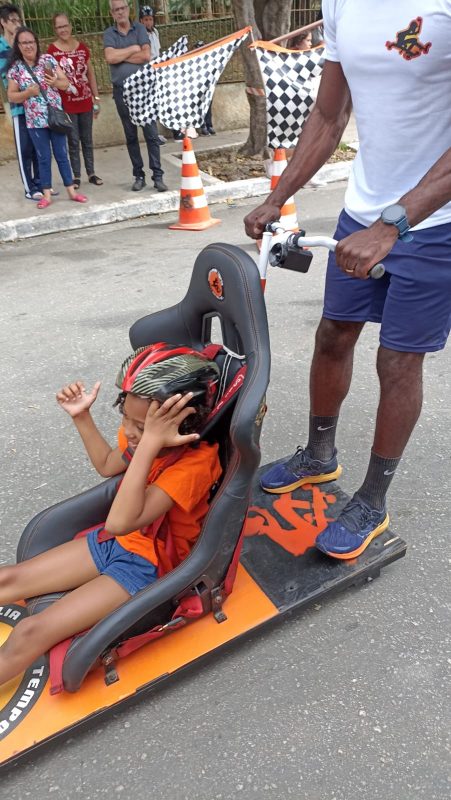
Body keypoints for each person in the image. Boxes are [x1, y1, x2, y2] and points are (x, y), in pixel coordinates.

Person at [244, 2, 451, 560]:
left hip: (435, 224)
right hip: (361, 212)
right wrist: (277, 196)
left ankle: (372, 499)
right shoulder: (341, 3)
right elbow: (328, 117)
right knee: (334, 333)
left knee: (399, 360)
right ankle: (319, 454)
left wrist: (397, 221)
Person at [0, 343, 222, 687]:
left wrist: (148, 443)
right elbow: (107, 464)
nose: (129, 432)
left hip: (146, 568)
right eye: (126, 418)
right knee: (7, 579)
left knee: (31, 632)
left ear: (181, 422)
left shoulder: (195, 466)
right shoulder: (142, 439)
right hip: (117, 542)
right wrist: (81, 416)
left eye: (139, 425)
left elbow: (121, 520)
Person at [7, 27, 88, 209]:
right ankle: (46, 194)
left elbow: (66, 83)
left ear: (36, 43)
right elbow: (11, 96)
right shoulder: (16, 69)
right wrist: (27, 92)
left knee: (61, 154)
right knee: (44, 157)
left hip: (55, 117)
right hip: (35, 121)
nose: (28, 46)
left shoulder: (48, 60)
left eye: (31, 42)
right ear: (18, 46)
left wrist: (55, 83)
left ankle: (71, 191)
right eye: (24, 43)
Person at [103, 0, 167, 192]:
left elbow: (146, 56)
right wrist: (133, 49)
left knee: (151, 134)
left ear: (128, 9)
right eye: (116, 10)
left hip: (143, 90)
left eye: (123, 8)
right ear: (112, 13)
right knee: (131, 135)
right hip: (121, 91)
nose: (120, 12)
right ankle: (138, 176)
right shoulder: (109, 33)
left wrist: (121, 55)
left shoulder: (139, 28)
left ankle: (158, 175)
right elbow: (110, 58)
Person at [48, 12, 103, 190]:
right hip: (67, 105)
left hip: (85, 101)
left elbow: (90, 74)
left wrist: (96, 98)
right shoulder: (52, 51)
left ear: (70, 26)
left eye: (65, 26)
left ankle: (92, 173)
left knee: (87, 139)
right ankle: (76, 176)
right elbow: (50, 77)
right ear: (55, 29)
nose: (63, 30)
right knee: (72, 140)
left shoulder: (82, 48)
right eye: (59, 27)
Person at [0, 3, 42, 200]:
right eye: (13, 21)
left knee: (38, 147)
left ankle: (42, 184)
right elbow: (7, 75)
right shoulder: (2, 47)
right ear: (3, 22)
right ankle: (29, 188)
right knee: (24, 148)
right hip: (18, 107)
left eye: (19, 20)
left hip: (35, 105)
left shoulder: (23, 44)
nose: (17, 24)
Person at [137, 5, 166, 144]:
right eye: (146, 19)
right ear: (141, 21)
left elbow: (157, 52)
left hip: (157, 70)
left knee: (157, 103)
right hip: (146, 71)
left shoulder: (155, 32)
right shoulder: (139, 35)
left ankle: (156, 134)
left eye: (150, 19)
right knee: (149, 105)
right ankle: (153, 135)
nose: (148, 22)